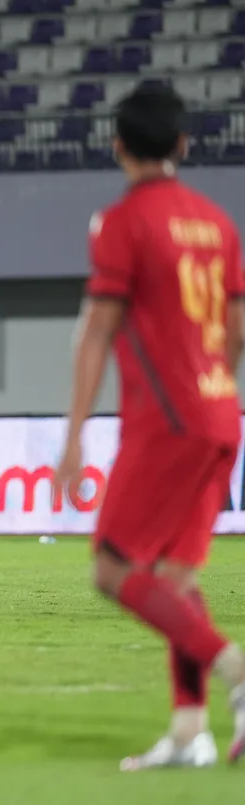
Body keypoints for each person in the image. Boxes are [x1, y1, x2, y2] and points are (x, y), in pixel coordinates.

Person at [54, 82, 245, 770]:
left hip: (167, 421)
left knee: (111, 568)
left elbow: (97, 332)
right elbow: (237, 328)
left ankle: (234, 667)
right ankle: (191, 732)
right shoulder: (218, 222)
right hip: (224, 411)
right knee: (176, 577)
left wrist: (74, 434)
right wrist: (212, 379)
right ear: (185, 145)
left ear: (118, 147)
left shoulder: (121, 222)